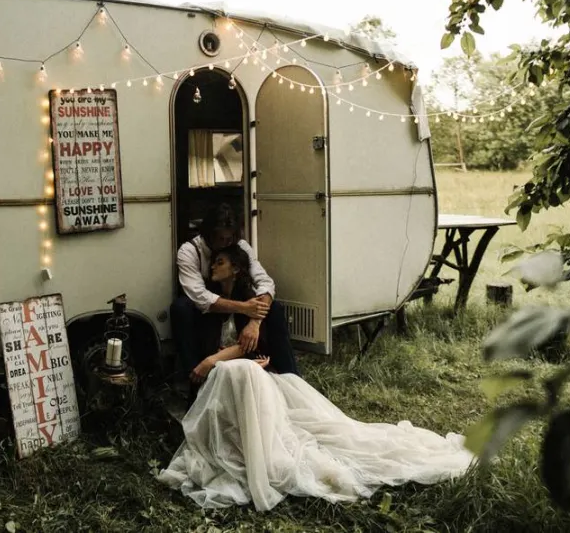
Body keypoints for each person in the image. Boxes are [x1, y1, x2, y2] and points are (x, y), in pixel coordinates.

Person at [157, 246, 477, 512]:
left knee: (237, 370)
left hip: (257, 373)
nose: (212, 267)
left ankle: (254, 446)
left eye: (220, 262)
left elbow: (252, 349)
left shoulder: (254, 305)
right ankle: (231, 440)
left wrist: (213, 360)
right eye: (212, 262)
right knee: (231, 371)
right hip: (239, 373)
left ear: (237, 269)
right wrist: (215, 358)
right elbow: (218, 344)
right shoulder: (213, 307)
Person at [170, 203, 299, 388]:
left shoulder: (240, 247)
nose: (224, 243)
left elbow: (265, 282)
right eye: (219, 238)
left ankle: (290, 377)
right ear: (208, 233)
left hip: (239, 310)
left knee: (275, 308)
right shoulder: (189, 251)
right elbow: (199, 297)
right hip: (207, 312)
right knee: (181, 308)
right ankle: (195, 378)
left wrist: (255, 322)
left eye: (228, 238)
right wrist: (245, 308)